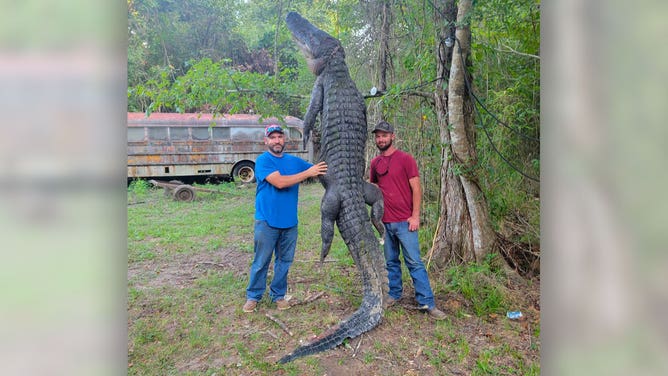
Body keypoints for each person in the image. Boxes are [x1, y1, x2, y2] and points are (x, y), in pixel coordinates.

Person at [242, 124, 327, 313]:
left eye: (280, 137)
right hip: (267, 221)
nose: (277, 141)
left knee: (284, 261)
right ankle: (253, 296)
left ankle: (278, 295)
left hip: (289, 223)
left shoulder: (293, 161)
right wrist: (308, 173)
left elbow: (319, 169)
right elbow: (279, 182)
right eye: (272, 138)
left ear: (284, 139)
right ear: (266, 141)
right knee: (261, 260)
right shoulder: (263, 161)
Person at [369, 121, 447, 320]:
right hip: (385, 223)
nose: (381, 139)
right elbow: (373, 189)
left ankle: (427, 301)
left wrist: (415, 216)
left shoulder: (405, 159)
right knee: (391, 262)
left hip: (405, 222)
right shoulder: (375, 164)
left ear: (392, 136)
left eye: (384, 135)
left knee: (414, 262)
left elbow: (416, 189)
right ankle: (394, 294)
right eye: (378, 136)